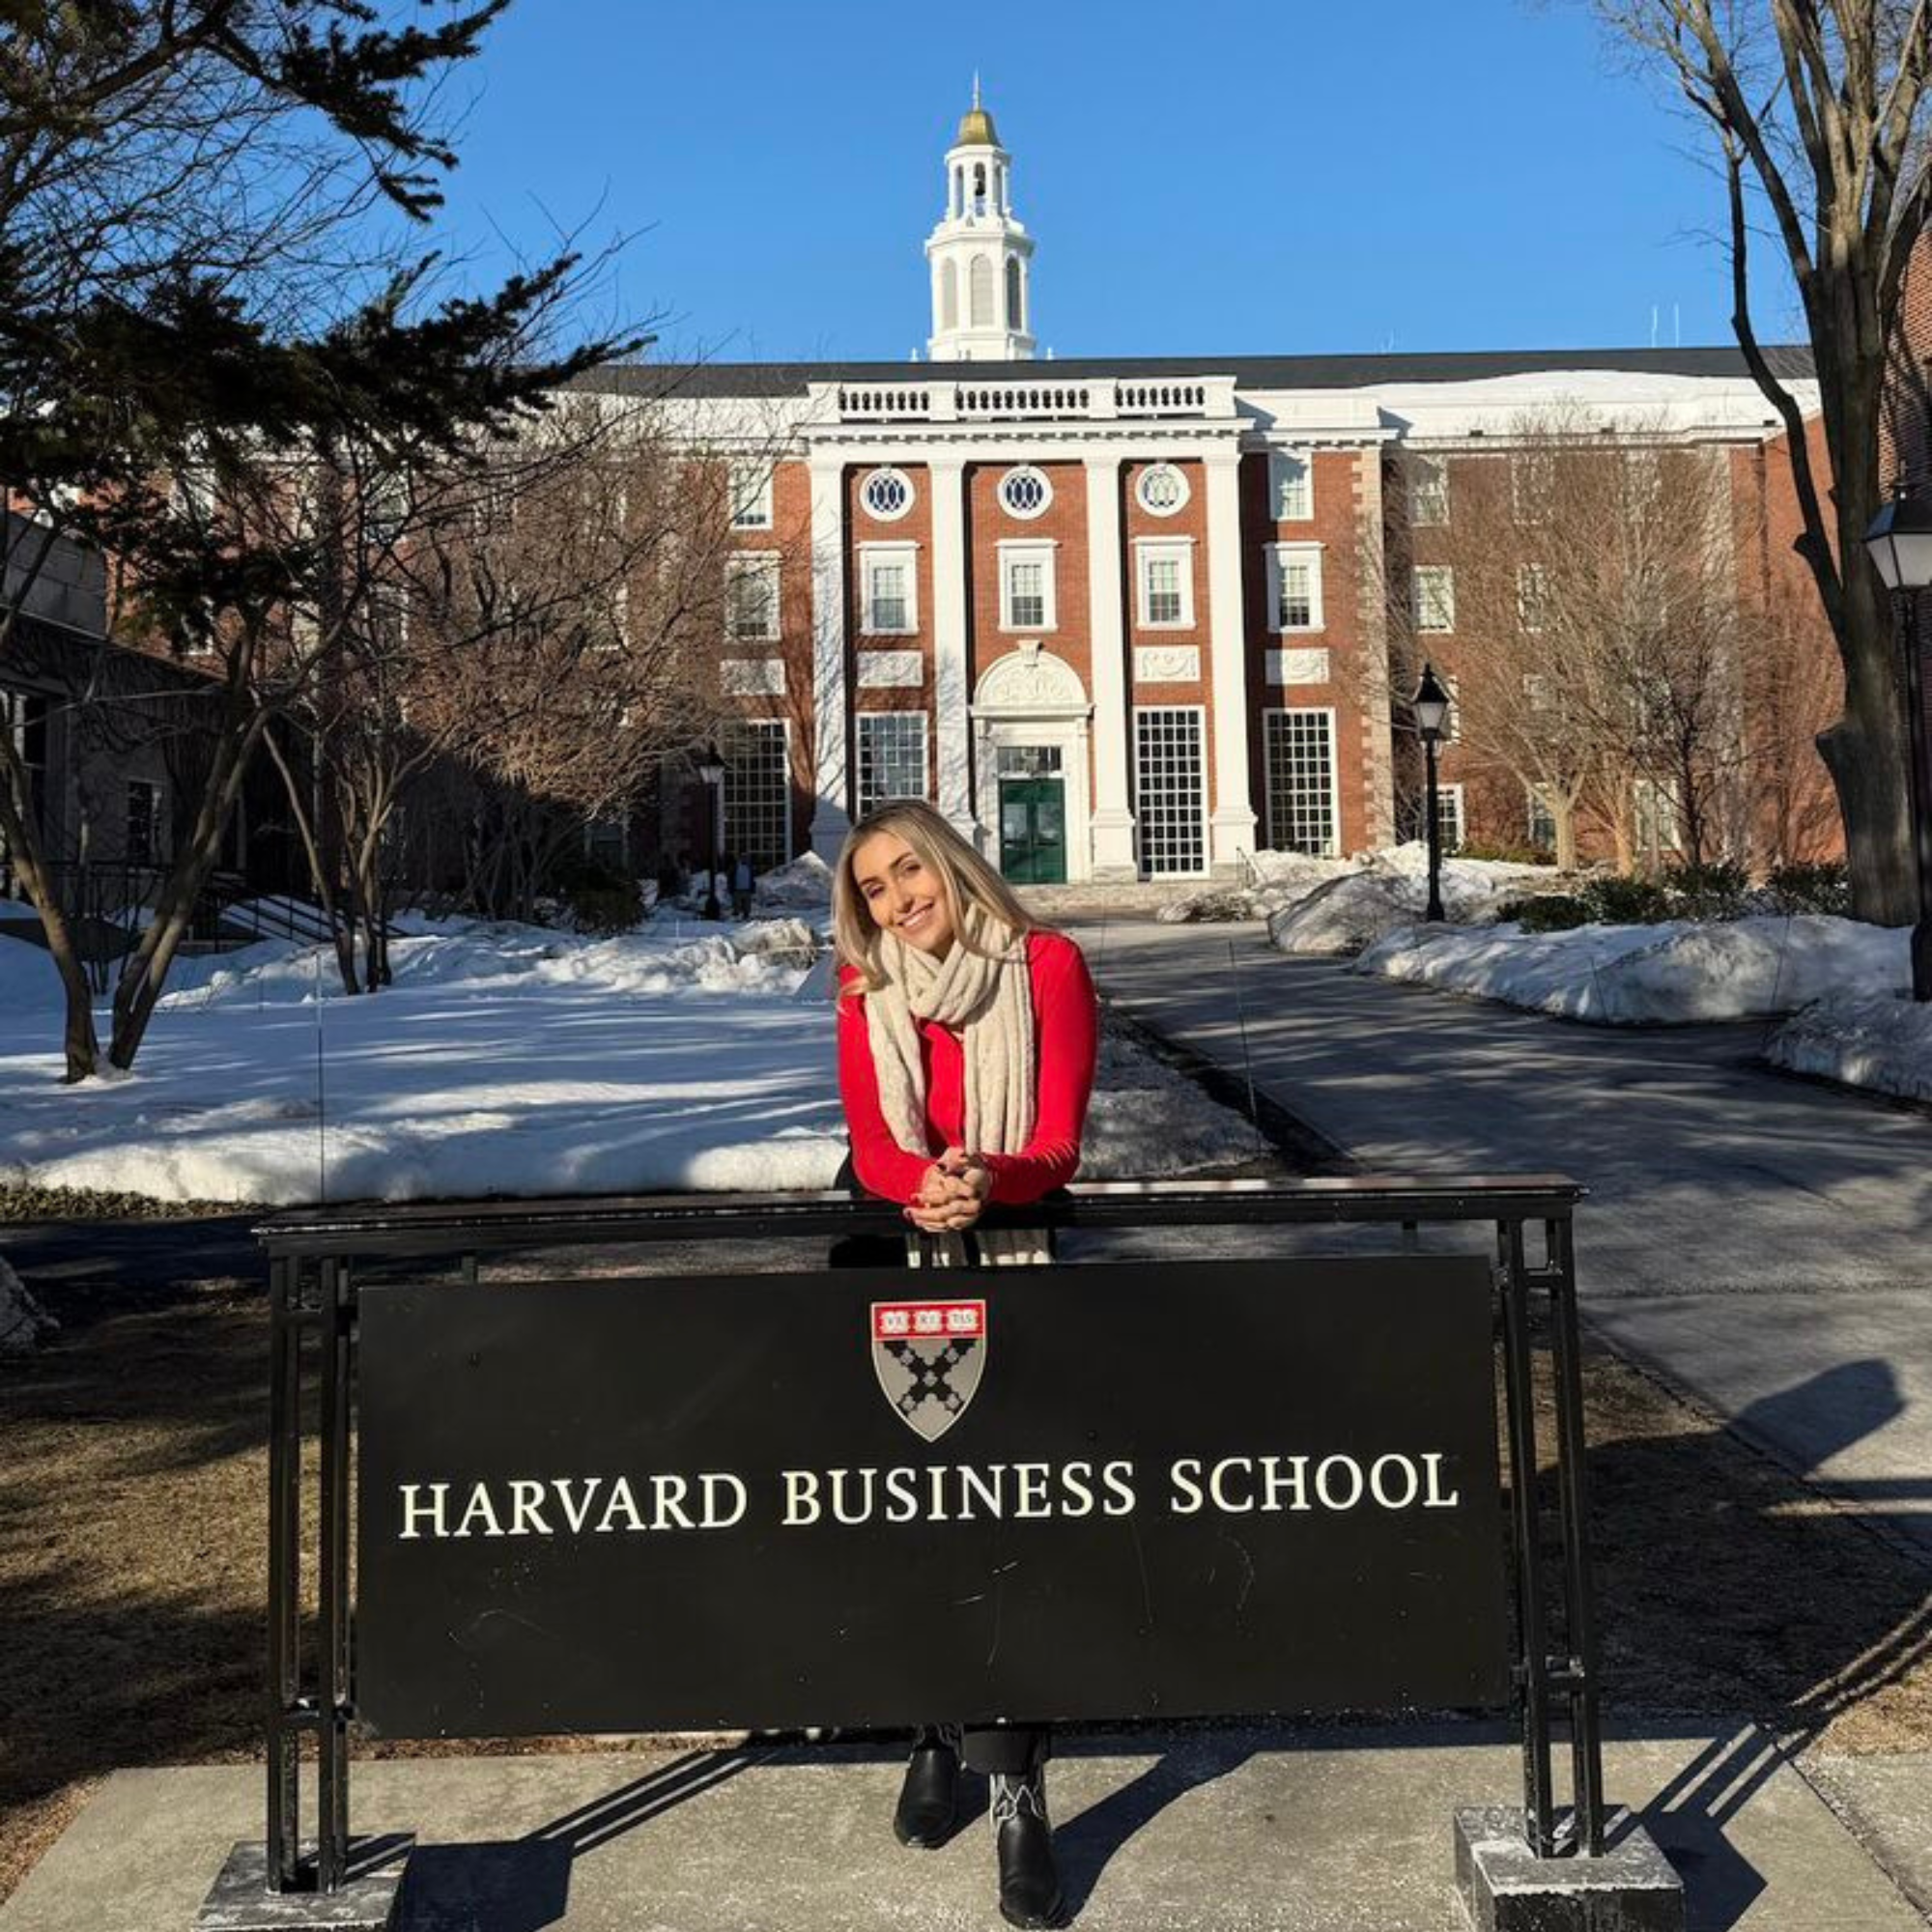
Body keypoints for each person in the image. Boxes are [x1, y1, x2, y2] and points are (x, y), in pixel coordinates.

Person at [832, 798, 1097, 1931]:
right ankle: (930, 1729)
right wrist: (920, 1186)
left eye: (908, 871)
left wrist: (983, 1177)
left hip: (1013, 1240)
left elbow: (1056, 1141)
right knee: (910, 1513)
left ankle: (1018, 1792)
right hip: (890, 1245)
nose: (896, 899)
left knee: (1011, 1523)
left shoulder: (1046, 964)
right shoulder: (863, 988)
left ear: (949, 863)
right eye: (872, 887)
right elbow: (871, 1141)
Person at [731, 851, 755, 920]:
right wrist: (731, 887)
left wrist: (753, 887)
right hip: (737, 888)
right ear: (739, 858)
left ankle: (746, 916)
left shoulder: (750, 867)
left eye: (745, 857)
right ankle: (736, 916)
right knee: (736, 904)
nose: (744, 859)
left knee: (747, 905)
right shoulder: (735, 866)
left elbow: (752, 878)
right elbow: (731, 876)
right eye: (742, 857)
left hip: (747, 889)